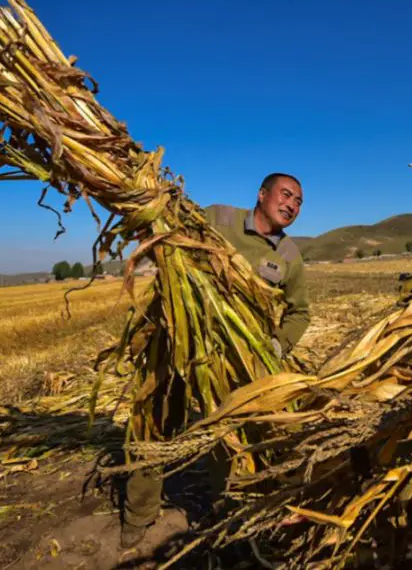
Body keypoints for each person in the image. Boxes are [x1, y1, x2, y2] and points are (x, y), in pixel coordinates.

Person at [119, 172, 310, 550]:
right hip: (176, 339)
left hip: (231, 362)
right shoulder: (218, 218)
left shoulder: (289, 255)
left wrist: (276, 346)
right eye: (286, 195)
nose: (292, 206)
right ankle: (138, 515)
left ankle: (228, 516)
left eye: (299, 202)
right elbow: (170, 230)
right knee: (154, 423)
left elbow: (300, 312)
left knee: (230, 434)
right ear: (262, 194)